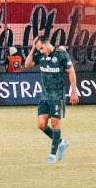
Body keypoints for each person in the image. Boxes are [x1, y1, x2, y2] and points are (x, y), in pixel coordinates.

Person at [31, 32, 78, 163]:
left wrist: (73, 92)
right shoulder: (40, 55)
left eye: (41, 47)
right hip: (45, 96)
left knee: (55, 123)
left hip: (58, 96)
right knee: (41, 124)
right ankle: (61, 142)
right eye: (38, 48)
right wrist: (33, 48)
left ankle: (52, 155)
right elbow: (27, 64)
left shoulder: (61, 54)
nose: (40, 51)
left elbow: (71, 72)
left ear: (47, 43)